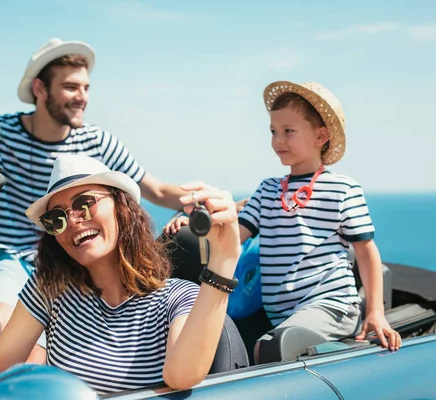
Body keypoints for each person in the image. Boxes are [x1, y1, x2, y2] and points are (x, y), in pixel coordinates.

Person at [0, 154, 244, 396]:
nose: (73, 220)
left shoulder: (178, 298)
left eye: (84, 203)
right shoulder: (50, 291)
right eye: (57, 218)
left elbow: (181, 376)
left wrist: (224, 260)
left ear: (122, 207)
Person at [0, 38, 190, 362]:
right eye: (71, 87)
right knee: (1, 323)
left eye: (86, 88)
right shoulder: (0, 132)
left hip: (76, 259)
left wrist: (210, 202)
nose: (83, 98)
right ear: (40, 88)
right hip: (17, 261)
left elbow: (158, 191)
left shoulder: (97, 140)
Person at [164, 81, 402, 362]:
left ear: (321, 135)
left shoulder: (343, 189)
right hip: (284, 314)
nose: (278, 141)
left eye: (288, 131)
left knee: (269, 348)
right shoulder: (268, 190)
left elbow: (365, 251)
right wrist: (193, 227)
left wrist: (375, 313)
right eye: (273, 132)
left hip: (331, 306)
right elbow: (233, 236)